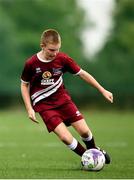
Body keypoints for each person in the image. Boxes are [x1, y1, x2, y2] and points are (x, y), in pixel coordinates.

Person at [21, 29, 113, 164]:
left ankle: (94, 150)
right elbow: (24, 85)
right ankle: (87, 157)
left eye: (57, 49)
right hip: (43, 105)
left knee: (85, 132)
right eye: (51, 50)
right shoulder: (31, 63)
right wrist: (29, 108)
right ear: (43, 46)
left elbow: (82, 74)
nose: (55, 53)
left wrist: (102, 90)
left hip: (63, 100)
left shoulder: (62, 59)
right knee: (65, 137)